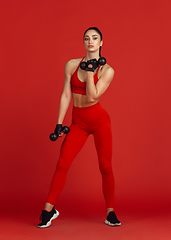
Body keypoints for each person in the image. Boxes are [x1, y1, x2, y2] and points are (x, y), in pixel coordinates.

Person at [38, 27, 121, 228]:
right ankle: (49, 210)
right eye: (86, 38)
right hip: (79, 123)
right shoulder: (72, 65)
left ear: (101, 43)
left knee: (105, 166)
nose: (90, 41)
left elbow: (92, 96)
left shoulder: (107, 70)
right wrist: (59, 123)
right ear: (83, 43)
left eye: (94, 38)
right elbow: (66, 95)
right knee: (63, 162)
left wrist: (92, 70)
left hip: (99, 120)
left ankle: (110, 212)